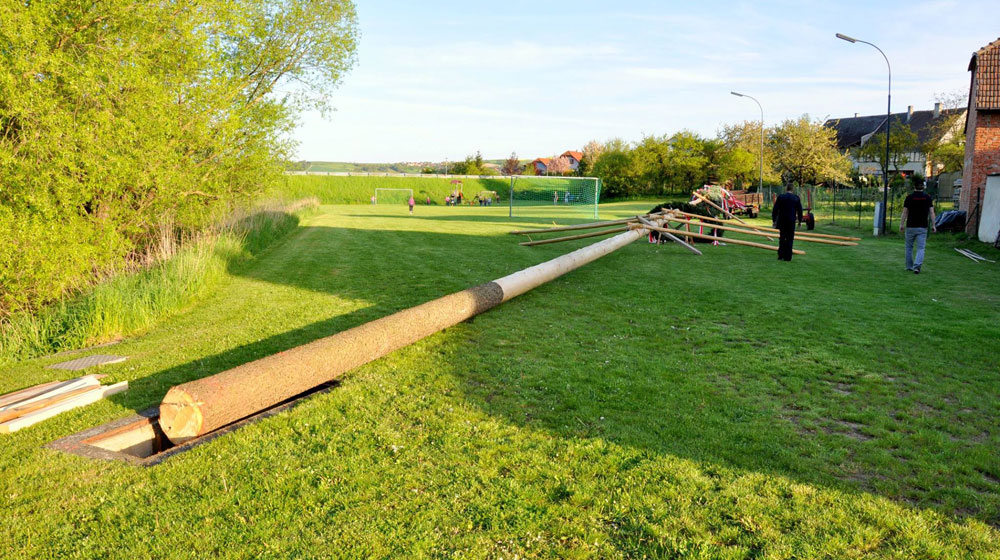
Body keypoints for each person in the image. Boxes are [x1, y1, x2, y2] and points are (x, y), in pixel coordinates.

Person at [899, 184, 937, 274]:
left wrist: (901, 224)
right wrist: (933, 225)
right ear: (923, 187)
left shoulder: (909, 198)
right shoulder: (927, 198)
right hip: (922, 226)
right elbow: (932, 212)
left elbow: (905, 212)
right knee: (921, 248)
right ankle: (917, 267)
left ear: (914, 187)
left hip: (910, 226)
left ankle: (909, 266)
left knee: (909, 247)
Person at [772, 185, 803, 261]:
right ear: (792, 189)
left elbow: (775, 209)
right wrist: (799, 220)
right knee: (790, 238)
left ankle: (781, 255)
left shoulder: (781, 197)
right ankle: (788, 256)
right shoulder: (796, 198)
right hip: (791, 220)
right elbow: (800, 210)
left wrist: (774, 220)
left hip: (782, 220)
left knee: (782, 237)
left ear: (786, 189)